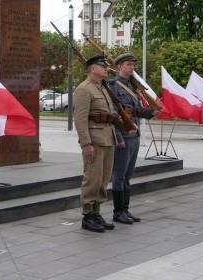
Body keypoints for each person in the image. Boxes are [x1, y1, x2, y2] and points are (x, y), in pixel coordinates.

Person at [73, 54, 121, 233]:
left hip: (108, 139)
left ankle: (96, 213)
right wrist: (86, 144)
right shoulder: (84, 89)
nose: (106, 69)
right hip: (94, 140)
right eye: (103, 66)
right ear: (93, 69)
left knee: (103, 179)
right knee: (92, 179)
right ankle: (87, 216)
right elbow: (80, 119)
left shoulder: (102, 88)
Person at [108, 52, 156, 224]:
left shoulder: (133, 86)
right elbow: (115, 113)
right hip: (124, 137)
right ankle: (118, 212)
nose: (131, 67)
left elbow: (135, 111)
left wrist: (150, 112)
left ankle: (125, 210)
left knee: (127, 177)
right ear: (119, 66)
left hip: (134, 135)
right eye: (128, 64)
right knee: (119, 176)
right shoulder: (113, 86)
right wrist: (119, 136)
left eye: (132, 65)